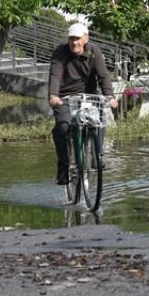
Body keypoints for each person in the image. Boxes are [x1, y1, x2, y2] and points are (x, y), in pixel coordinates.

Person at [49, 23, 118, 185]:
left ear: (85, 39)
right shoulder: (60, 52)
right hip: (65, 97)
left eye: (78, 39)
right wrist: (53, 95)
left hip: (88, 96)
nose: (74, 42)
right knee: (63, 126)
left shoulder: (94, 51)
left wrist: (109, 96)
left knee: (99, 120)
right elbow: (55, 75)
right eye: (71, 39)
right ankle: (64, 167)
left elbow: (103, 75)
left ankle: (97, 156)